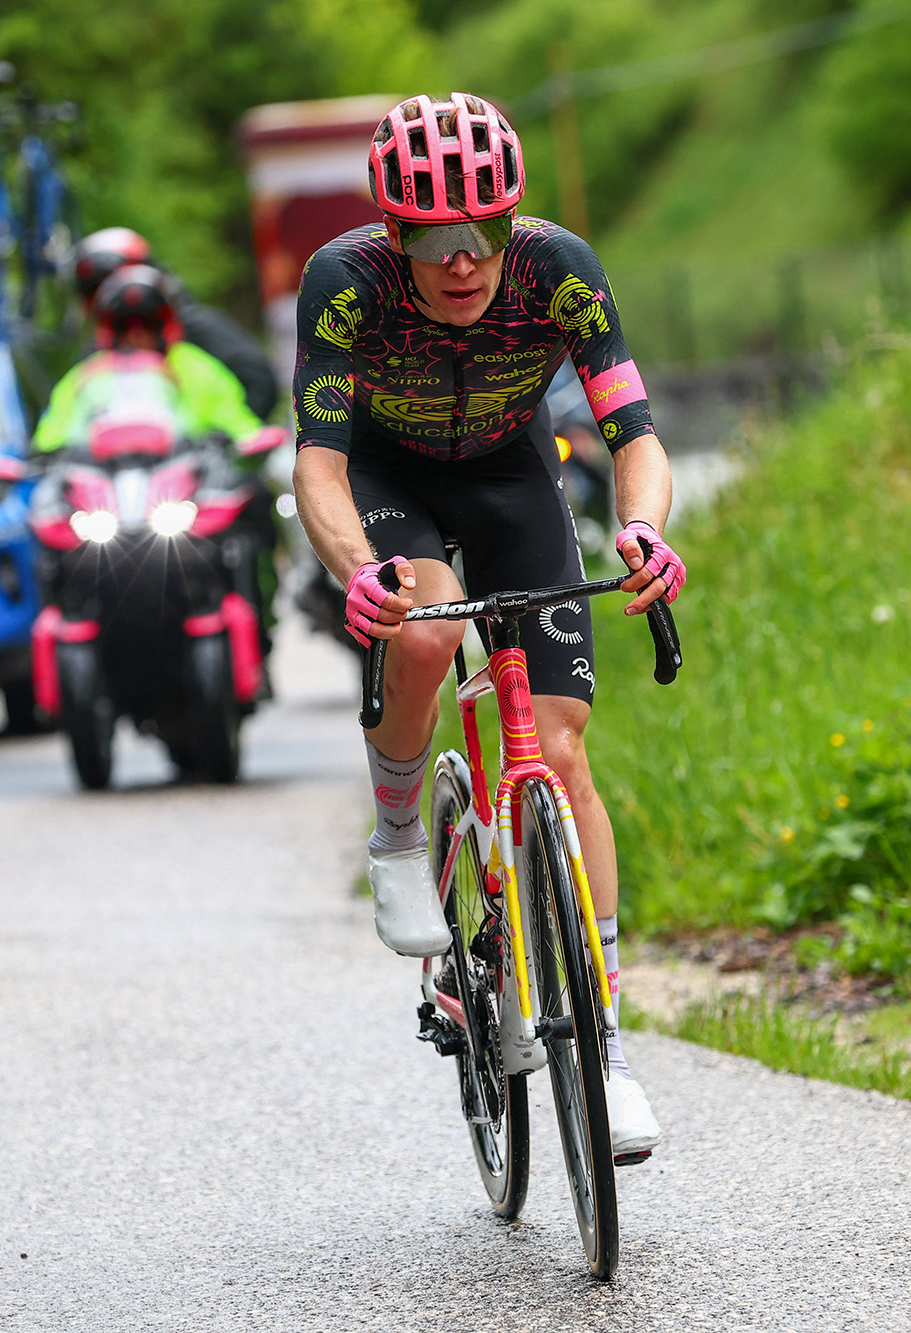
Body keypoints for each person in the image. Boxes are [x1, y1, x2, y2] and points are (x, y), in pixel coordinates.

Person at [289, 92, 686, 1161]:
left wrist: (641, 531)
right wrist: (354, 569)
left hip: (512, 472)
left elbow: (634, 434)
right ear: (397, 234)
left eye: (488, 234)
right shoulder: (344, 281)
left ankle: (601, 1051)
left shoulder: (560, 266)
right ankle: (397, 832)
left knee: (560, 749)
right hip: (387, 474)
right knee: (420, 633)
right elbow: (317, 467)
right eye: (439, 240)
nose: (467, 263)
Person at [37, 264, 279, 646]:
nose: (137, 336)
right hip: (109, 499)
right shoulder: (86, 377)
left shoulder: (197, 368)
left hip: (182, 495)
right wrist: (42, 455)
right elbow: (52, 434)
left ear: (163, 325)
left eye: (145, 326)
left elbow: (239, 422)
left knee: (249, 529)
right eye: (126, 326)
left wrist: (249, 440)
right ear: (110, 330)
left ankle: (260, 630)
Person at [66, 227, 281, 420]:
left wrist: (223, 448)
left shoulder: (196, 331)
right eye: (92, 289)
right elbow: (65, 417)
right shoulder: (95, 354)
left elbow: (258, 384)